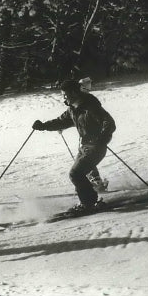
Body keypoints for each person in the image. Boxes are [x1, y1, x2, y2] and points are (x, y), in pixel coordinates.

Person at [32, 79, 116, 215]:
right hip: (84, 147)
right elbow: (60, 122)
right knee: (78, 174)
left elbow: (109, 123)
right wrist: (43, 126)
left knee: (76, 173)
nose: (64, 98)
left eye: (65, 95)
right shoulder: (73, 109)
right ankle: (90, 200)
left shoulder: (91, 107)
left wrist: (102, 138)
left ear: (74, 93)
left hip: (96, 146)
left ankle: (88, 204)